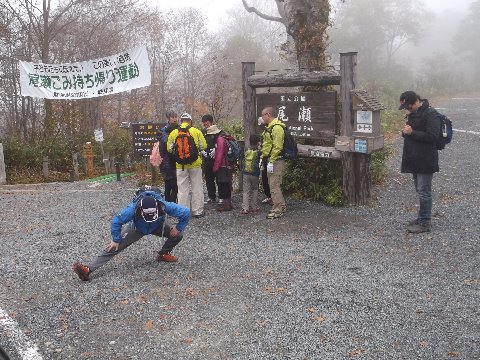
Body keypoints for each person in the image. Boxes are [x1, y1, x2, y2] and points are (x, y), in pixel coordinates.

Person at [72, 188, 190, 281]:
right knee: (114, 247)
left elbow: (185, 212)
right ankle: (88, 269)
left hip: (157, 226)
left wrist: (178, 227)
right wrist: (116, 239)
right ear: (140, 209)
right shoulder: (132, 208)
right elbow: (116, 221)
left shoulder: (164, 205)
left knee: (178, 235)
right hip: (137, 228)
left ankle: (163, 254)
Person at [399, 91, 441, 233]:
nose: (407, 109)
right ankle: (422, 217)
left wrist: (412, 132)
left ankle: (424, 222)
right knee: (420, 190)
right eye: (405, 108)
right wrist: (405, 131)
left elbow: (433, 136)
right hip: (415, 158)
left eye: (409, 107)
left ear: (417, 101)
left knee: (424, 191)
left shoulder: (431, 114)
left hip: (426, 159)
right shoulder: (414, 114)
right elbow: (412, 132)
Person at [167, 113, 207, 218]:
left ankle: (183, 212)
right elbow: (204, 146)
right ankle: (197, 211)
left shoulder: (174, 133)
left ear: (181, 121)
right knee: (197, 187)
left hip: (180, 165)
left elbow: (169, 149)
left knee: (182, 189)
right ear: (190, 121)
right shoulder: (196, 131)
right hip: (195, 164)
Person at [260, 106, 287, 219]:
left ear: (268, 115)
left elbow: (277, 146)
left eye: (263, 115)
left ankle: (278, 209)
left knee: (274, 185)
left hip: (276, 160)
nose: (262, 118)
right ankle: (281, 206)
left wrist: (271, 160)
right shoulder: (269, 127)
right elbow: (267, 145)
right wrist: (262, 158)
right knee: (273, 184)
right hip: (270, 159)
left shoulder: (277, 128)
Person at [209, 124, 234, 211]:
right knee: (226, 184)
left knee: (222, 185)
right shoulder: (224, 137)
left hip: (223, 166)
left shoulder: (219, 140)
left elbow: (219, 155)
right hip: (227, 165)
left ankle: (226, 205)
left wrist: (215, 168)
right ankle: (228, 204)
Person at [240, 134, 262, 215]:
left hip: (245, 173)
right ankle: (254, 207)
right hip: (255, 173)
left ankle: (245, 208)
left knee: (246, 191)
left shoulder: (247, 151)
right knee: (255, 189)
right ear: (258, 142)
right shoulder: (259, 152)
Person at [157, 122, 179, 202]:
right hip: (170, 165)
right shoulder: (169, 138)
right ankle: (172, 206)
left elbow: (162, 153)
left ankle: (166, 204)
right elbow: (171, 153)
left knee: (167, 186)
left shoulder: (162, 137)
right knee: (175, 187)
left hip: (164, 165)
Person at [201, 114, 219, 204]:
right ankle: (211, 196)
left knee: (219, 178)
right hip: (207, 159)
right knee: (208, 179)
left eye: (207, 124)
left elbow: (223, 143)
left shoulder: (218, 132)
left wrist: (216, 150)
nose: (206, 126)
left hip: (217, 159)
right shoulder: (203, 132)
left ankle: (222, 196)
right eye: (204, 124)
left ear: (211, 122)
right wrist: (201, 151)